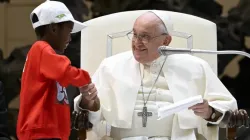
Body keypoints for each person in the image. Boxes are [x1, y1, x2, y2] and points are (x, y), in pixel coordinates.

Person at [74, 11, 238, 140]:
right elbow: (90, 112)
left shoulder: (195, 66)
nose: (137, 42)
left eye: (145, 36)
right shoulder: (110, 65)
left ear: (166, 41)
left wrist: (209, 111)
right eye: (135, 34)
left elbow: (227, 107)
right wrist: (89, 101)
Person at [16, 1, 99, 140]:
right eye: (69, 30)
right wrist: (86, 79)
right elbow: (66, 72)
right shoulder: (41, 49)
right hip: (41, 131)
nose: (70, 37)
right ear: (54, 29)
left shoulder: (45, 57)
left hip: (48, 131)